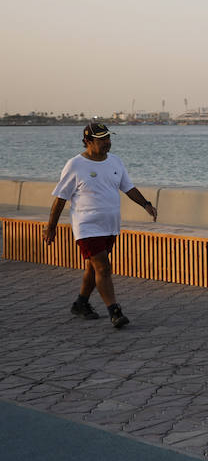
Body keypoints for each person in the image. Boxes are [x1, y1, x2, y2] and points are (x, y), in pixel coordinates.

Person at [44, 121, 158, 328]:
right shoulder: (75, 165)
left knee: (93, 266)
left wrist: (146, 204)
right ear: (87, 141)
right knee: (103, 267)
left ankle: (81, 303)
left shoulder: (115, 162)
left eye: (108, 138)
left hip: (110, 225)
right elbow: (60, 198)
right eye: (102, 139)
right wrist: (51, 227)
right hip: (86, 226)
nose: (107, 142)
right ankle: (114, 311)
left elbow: (128, 187)